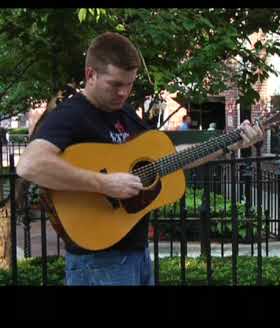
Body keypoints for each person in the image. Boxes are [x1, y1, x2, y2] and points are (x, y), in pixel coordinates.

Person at [16, 32, 264, 286]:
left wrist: (229, 143)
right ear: (91, 74)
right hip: (97, 263)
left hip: (136, 255)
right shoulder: (71, 114)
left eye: (130, 84)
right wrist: (104, 184)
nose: (123, 92)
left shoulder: (124, 112)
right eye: (115, 84)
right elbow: (30, 165)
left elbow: (168, 159)